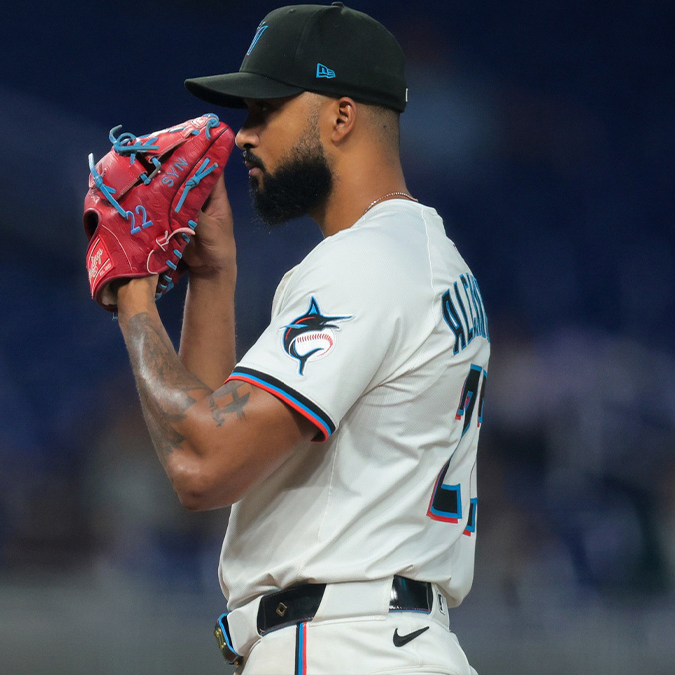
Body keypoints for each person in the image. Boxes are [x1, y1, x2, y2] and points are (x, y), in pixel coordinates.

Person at [104, 4, 489, 673]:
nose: (244, 136)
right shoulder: (420, 257)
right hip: (385, 637)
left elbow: (205, 463)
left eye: (265, 110)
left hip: (347, 642)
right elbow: (208, 461)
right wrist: (212, 275)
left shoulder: (366, 263)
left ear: (341, 116)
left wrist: (131, 287)